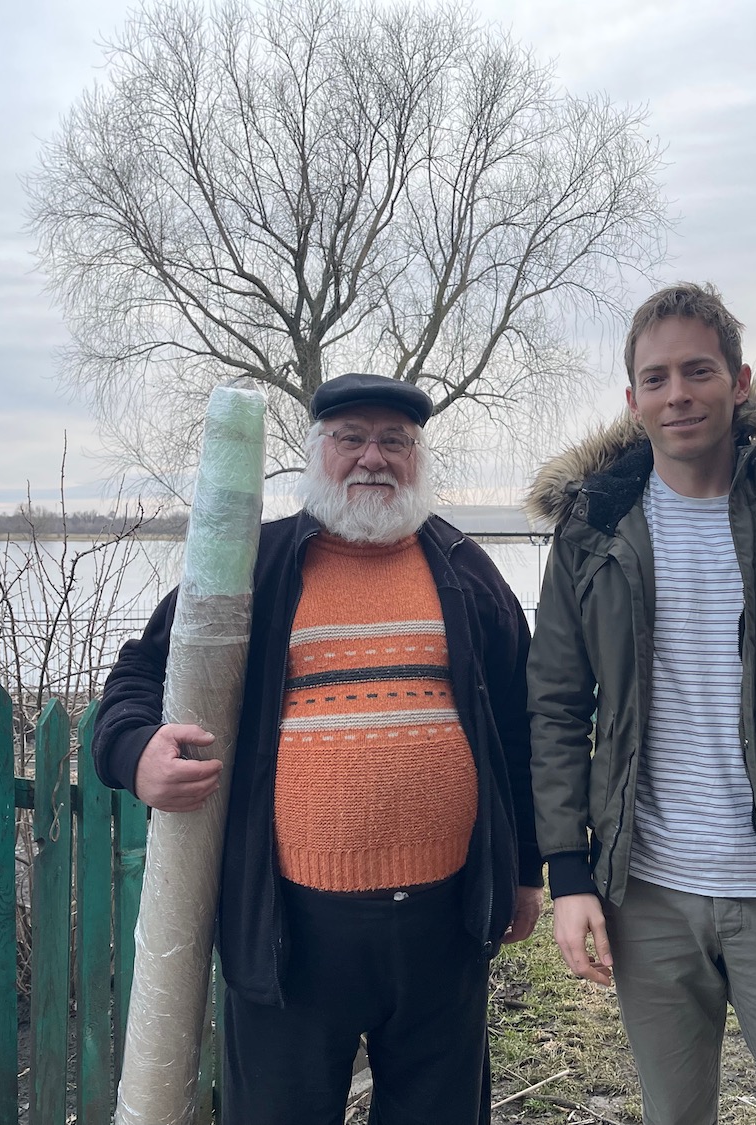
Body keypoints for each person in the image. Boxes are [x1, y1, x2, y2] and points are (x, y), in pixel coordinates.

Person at [92, 372, 542, 1125]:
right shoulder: (257, 566)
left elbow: (522, 731)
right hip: (289, 934)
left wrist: (525, 869)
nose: (374, 457)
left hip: (444, 927)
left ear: (418, 456)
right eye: (352, 439)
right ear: (316, 453)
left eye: (394, 441)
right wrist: (136, 752)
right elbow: (140, 669)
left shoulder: (465, 571)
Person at [525, 283, 756, 1125]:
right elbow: (553, 706)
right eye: (655, 379)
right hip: (646, 894)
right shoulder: (591, 534)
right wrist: (568, 870)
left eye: (698, 371)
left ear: (739, 381)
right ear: (632, 401)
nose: (679, 394)